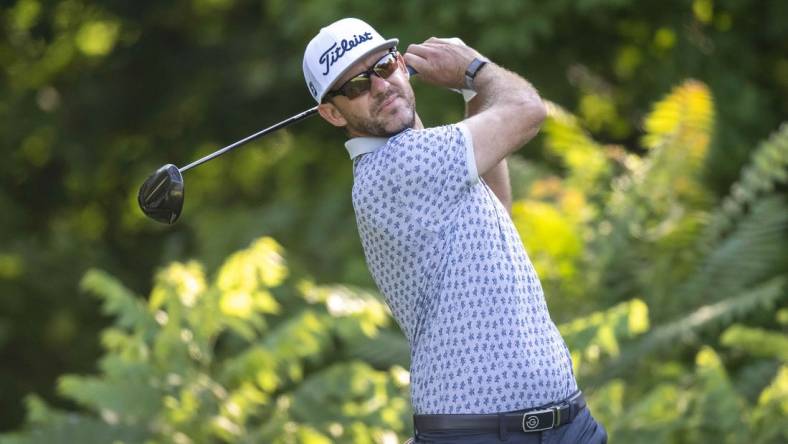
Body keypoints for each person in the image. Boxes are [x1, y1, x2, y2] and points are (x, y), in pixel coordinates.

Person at [303, 18, 608, 443]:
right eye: (355, 86)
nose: (380, 86)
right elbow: (527, 110)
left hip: (567, 424)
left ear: (401, 66)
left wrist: (472, 92)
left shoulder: (437, 165)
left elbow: (497, 205)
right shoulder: (397, 166)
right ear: (332, 113)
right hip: (482, 433)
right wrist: (474, 69)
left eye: (385, 66)